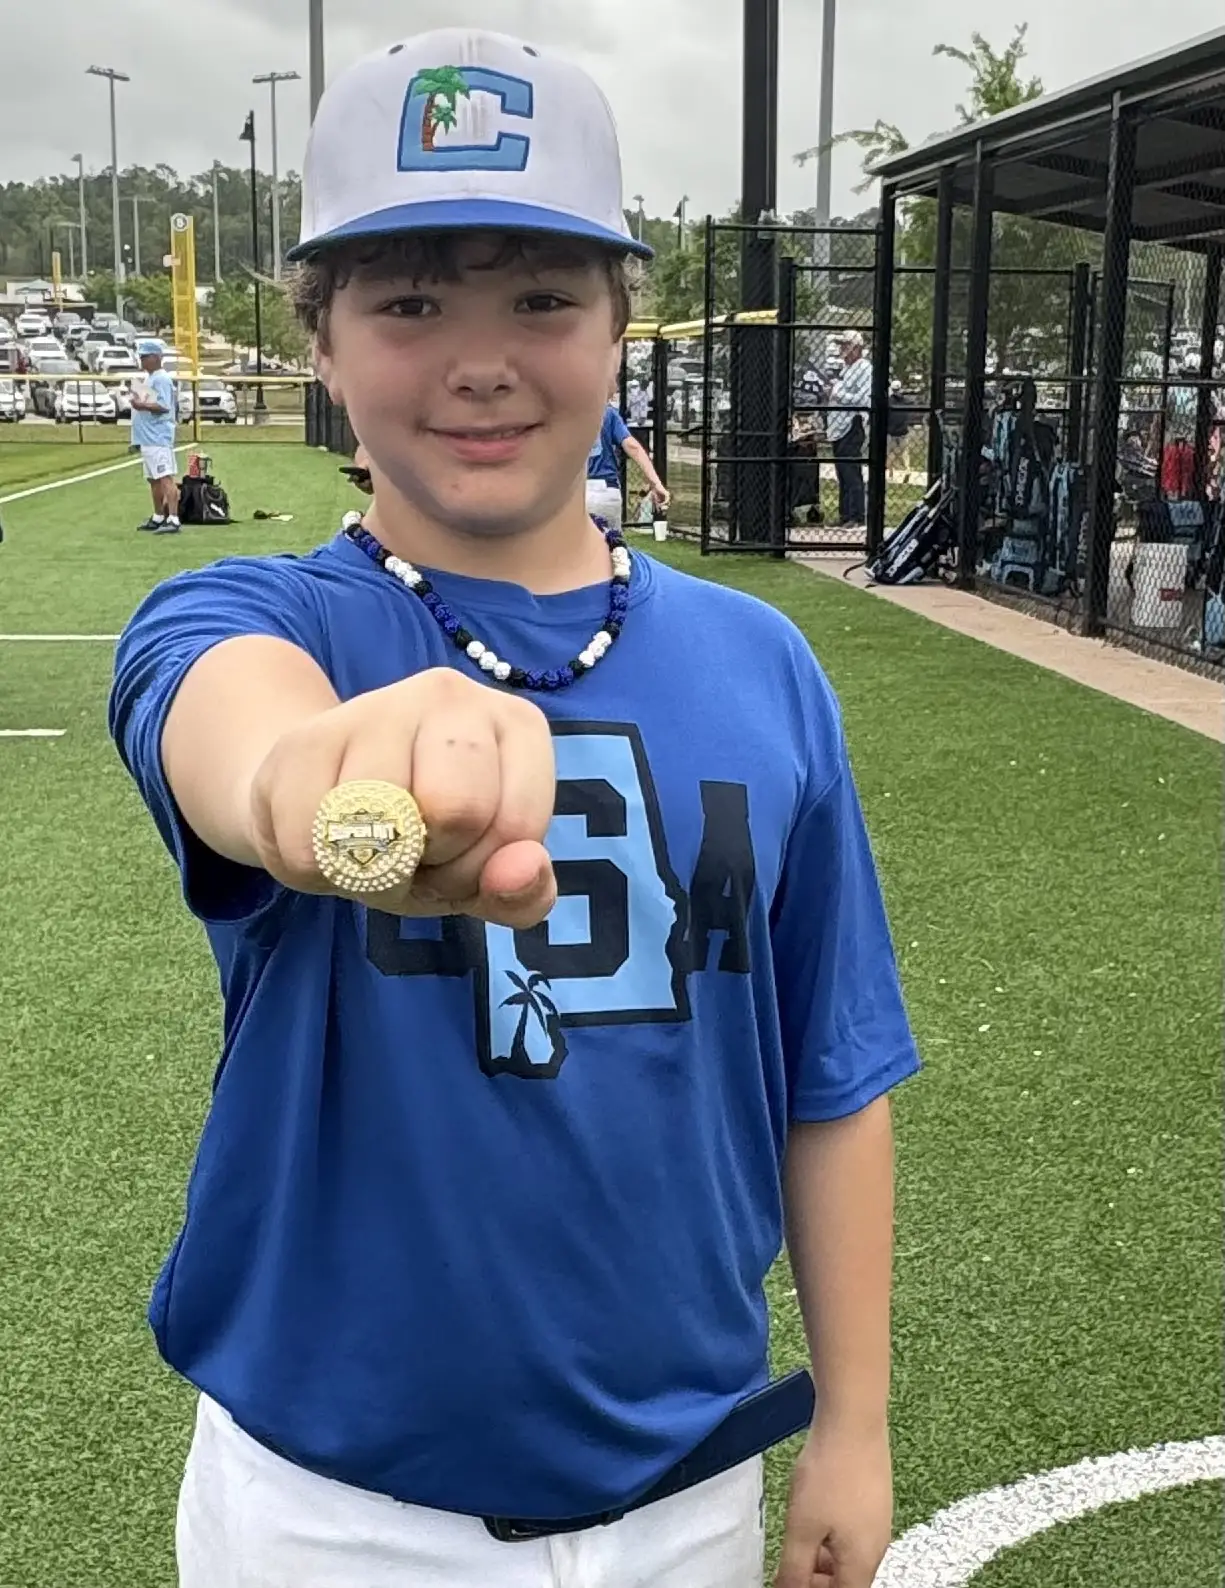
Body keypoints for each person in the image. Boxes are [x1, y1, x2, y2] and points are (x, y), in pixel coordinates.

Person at [108, 26, 921, 1588]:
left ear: (619, 330)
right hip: (333, 1518)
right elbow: (239, 740)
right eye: (410, 303)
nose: (479, 361)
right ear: (322, 343)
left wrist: (855, 1421)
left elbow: (831, 1073)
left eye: (541, 299)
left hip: (687, 1492)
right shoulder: (255, 616)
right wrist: (314, 787)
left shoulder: (763, 662)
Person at [586, 384, 670, 532]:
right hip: (605, 490)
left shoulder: (562, 417)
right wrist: (656, 483)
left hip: (573, 492)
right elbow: (633, 447)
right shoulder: (608, 413)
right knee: (611, 544)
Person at [129, 338, 180, 534]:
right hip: (148, 438)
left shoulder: (161, 379)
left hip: (158, 437)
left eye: (145, 357)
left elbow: (163, 406)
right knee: (153, 479)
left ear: (157, 357)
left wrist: (141, 405)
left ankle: (173, 518)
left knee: (165, 477)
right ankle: (158, 515)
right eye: (141, 357)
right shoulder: (150, 379)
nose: (142, 360)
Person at [826, 329, 873, 530]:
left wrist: (838, 395)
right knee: (842, 472)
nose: (842, 349)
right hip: (838, 425)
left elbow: (862, 399)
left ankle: (857, 515)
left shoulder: (865, 369)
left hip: (853, 423)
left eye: (846, 345)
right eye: (841, 345)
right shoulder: (845, 369)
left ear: (857, 348)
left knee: (851, 470)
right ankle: (845, 515)